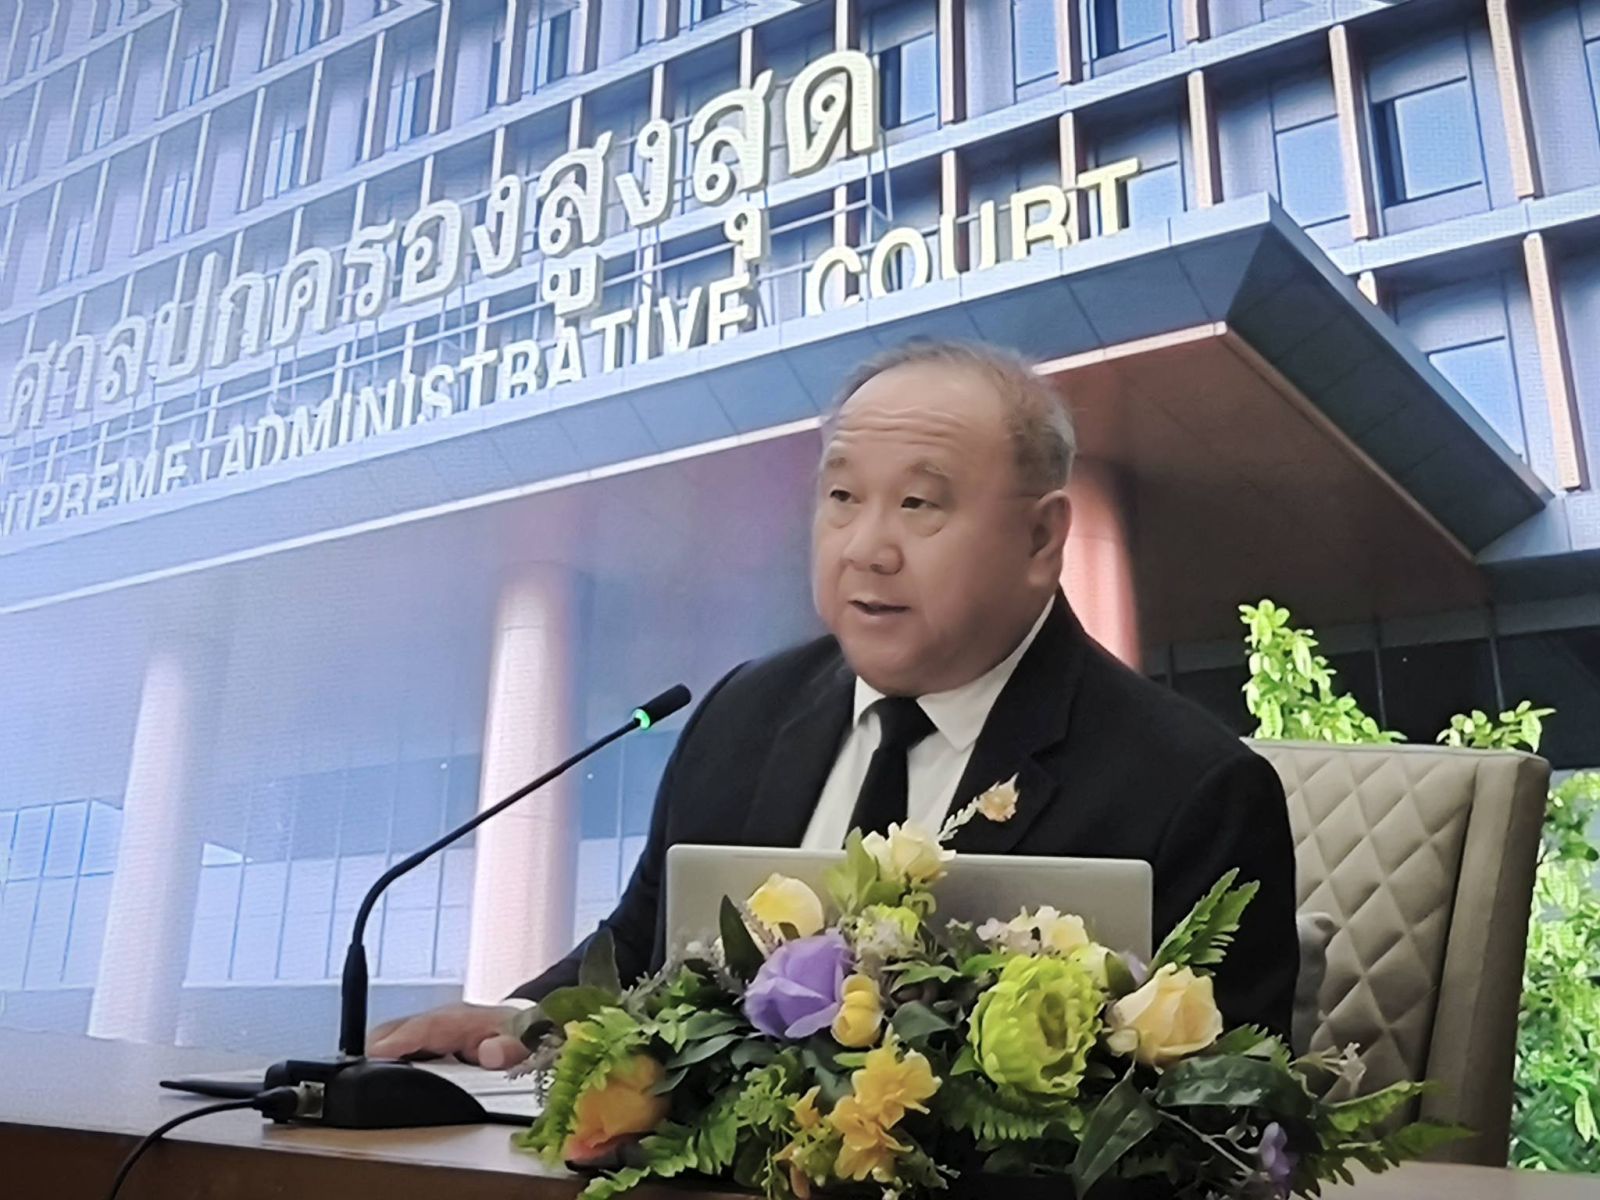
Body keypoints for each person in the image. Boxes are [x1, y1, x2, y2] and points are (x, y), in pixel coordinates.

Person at [369, 339, 1299, 1069]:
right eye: (843, 496)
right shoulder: (743, 714)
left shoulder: (1191, 792)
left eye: (920, 505)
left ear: (1040, 539)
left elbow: (1211, 1130)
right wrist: (522, 1020)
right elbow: (642, 949)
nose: (866, 548)